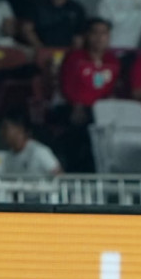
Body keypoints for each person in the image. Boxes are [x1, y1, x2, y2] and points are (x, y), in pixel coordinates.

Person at [55, 18, 119, 172]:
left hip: (100, 110)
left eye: (103, 33)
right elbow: (67, 87)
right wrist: (77, 105)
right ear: (87, 36)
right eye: (95, 33)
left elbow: (112, 90)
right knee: (80, 126)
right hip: (73, 106)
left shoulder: (113, 61)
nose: (99, 37)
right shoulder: (74, 58)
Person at [0, 111, 61, 176]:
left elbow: (59, 175)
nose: (2, 133)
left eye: (6, 128)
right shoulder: (9, 157)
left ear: (19, 129)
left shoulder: (39, 151)